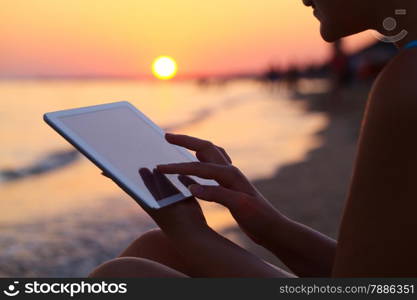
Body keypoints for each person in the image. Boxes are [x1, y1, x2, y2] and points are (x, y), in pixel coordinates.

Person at [90, 0, 417, 277]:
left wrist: (191, 233)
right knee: (157, 246)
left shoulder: (407, 82)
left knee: (122, 277)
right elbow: (373, 271)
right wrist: (269, 225)